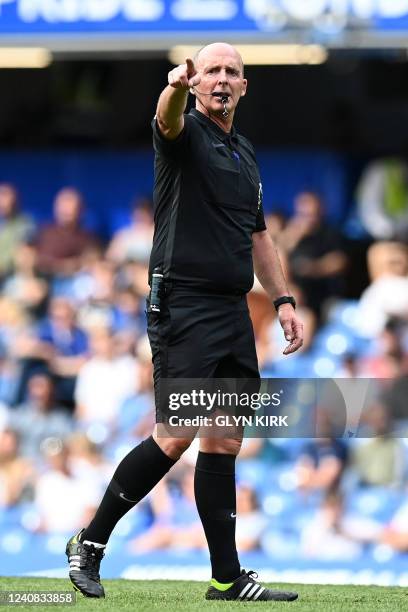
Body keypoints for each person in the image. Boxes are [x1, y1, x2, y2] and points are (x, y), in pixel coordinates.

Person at [65, 42, 303, 602]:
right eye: (212, 71)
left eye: (232, 72)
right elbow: (164, 119)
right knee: (175, 437)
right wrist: (172, 87)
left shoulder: (244, 153)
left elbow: (259, 238)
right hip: (183, 304)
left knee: (223, 440)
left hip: (233, 308)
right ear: (198, 84)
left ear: (244, 87)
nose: (222, 79)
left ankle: (226, 578)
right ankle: (90, 542)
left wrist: (285, 300)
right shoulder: (183, 132)